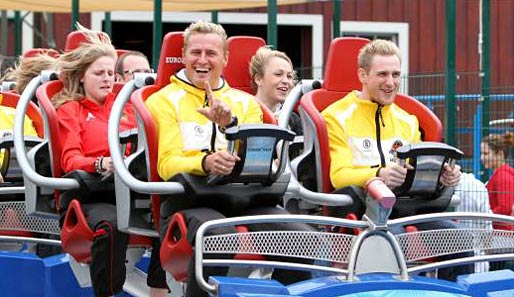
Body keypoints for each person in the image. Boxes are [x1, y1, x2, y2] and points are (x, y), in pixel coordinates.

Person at [145, 20, 313, 297]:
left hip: (245, 199)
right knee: (218, 238)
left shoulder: (246, 104)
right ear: (184, 55)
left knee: (299, 238)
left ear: (225, 58)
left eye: (211, 53)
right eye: (195, 52)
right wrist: (205, 162)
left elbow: (262, 158)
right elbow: (166, 162)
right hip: (189, 201)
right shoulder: (162, 101)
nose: (202, 60)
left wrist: (230, 125)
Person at [321, 39, 468, 281]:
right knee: (392, 242)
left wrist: (443, 176)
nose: (391, 83)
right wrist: (379, 174)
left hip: (409, 207)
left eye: (396, 74)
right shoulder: (335, 116)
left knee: (458, 241)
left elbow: (419, 171)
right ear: (363, 75)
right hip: (363, 212)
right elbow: (338, 175)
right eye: (382, 74)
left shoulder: (408, 120)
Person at [53, 24, 168, 297]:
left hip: (131, 190)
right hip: (92, 194)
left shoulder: (125, 108)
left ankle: (158, 293)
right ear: (81, 77)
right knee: (112, 226)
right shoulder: (71, 110)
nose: (107, 79)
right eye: (98, 73)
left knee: (170, 217)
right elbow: (70, 159)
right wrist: (100, 164)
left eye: (110, 73)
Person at [249, 46, 302, 136]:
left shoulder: (294, 120)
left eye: (289, 76)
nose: (286, 81)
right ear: (258, 79)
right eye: (278, 74)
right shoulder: (242, 112)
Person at [480, 131, 514, 270]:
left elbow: (505, 209)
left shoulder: (503, 176)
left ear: (499, 154)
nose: (482, 158)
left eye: (486, 154)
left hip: (502, 239)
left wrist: (483, 215)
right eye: (482, 153)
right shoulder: (500, 174)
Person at [453, 172, 493, 273]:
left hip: (448, 261)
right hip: (478, 259)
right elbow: (487, 228)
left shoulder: (436, 188)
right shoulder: (478, 186)